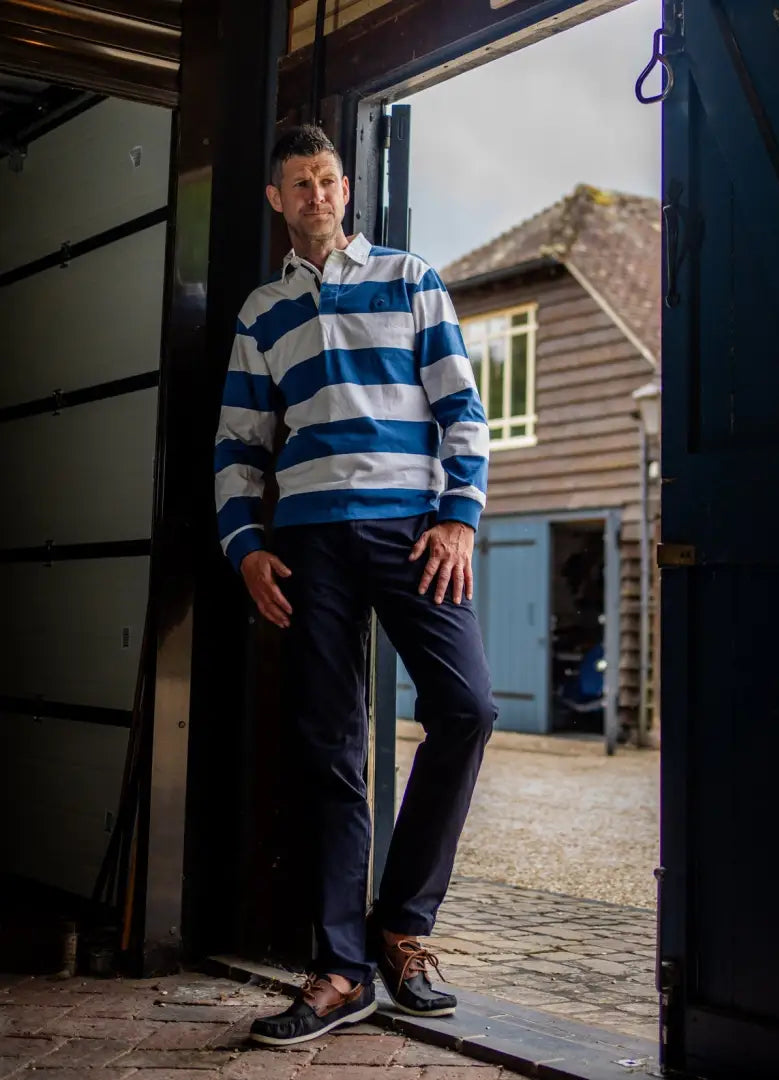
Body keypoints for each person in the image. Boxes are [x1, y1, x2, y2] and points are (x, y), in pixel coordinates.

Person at [213, 124, 496, 1046]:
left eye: (329, 178)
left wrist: (459, 515)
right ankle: (342, 971)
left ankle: (402, 927)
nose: (318, 195)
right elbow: (237, 446)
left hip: (415, 530)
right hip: (307, 545)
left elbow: (461, 403)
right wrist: (246, 547)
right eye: (300, 182)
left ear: (347, 187)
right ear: (276, 199)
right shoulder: (261, 313)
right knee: (331, 747)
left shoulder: (411, 279)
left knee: (467, 707)